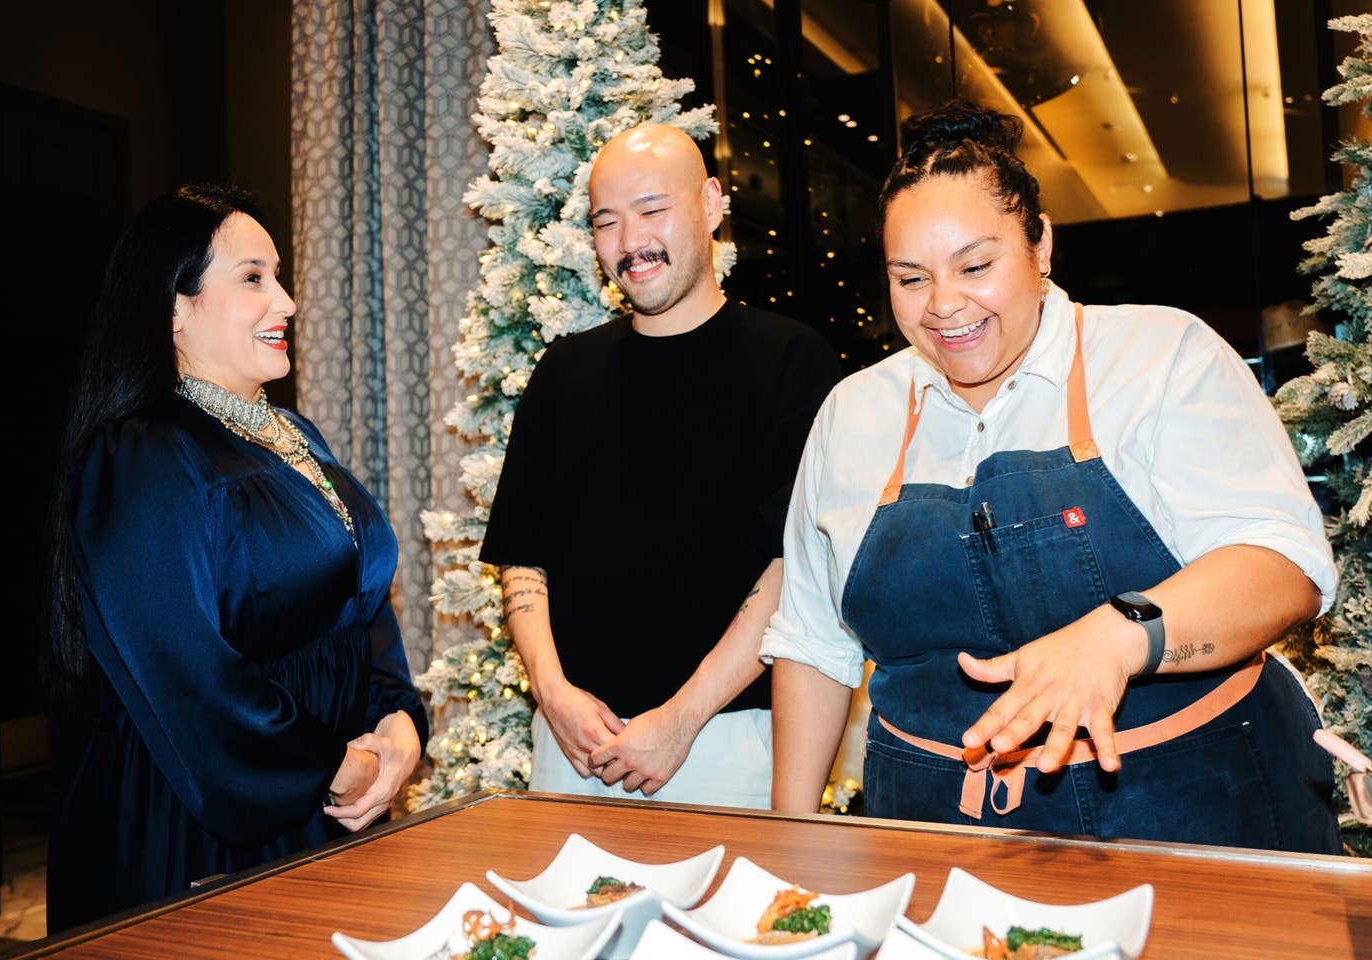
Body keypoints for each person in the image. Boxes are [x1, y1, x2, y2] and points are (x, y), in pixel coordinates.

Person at [762, 100, 1341, 852]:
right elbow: (813, 643)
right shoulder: (853, 413)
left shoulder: (1157, 357)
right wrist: (784, 836)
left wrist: (1118, 637)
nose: (944, 305)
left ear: (1040, 245)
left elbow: (1282, 566)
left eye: (976, 266)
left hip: (1194, 815)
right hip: (929, 830)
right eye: (911, 278)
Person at [42, 184, 427, 931]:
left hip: (326, 799)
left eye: (278, 276)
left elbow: (362, 599)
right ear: (176, 307)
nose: (284, 301)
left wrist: (398, 718)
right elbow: (183, 669)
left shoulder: (292, 432)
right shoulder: (142, 454)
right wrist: (329, 767)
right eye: (253, 278)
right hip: (199, 822)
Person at [479, 123, 842, 808]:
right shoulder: (563, 370)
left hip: (730, 740)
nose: (629, 242)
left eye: (652, 210)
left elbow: (792, 567)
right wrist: (552, 696)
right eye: (606, 222)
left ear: (710, 205)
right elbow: (522, 558)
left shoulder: (793, 362)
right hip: (572, 746)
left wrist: (682, 719)